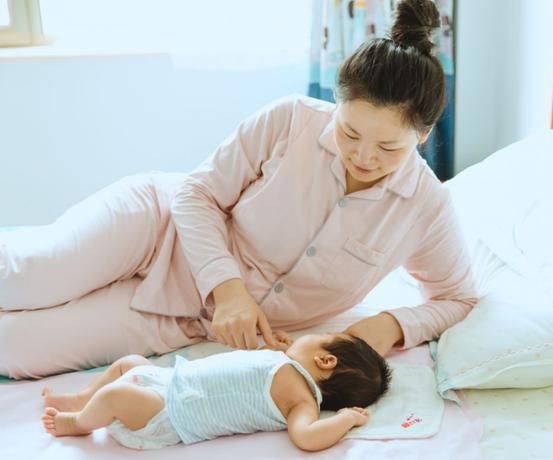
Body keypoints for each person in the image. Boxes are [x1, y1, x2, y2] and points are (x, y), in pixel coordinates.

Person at [0, 0, 477, 379]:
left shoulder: (426, 208)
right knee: (25, 275)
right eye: (349, 133)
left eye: (388, 147)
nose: (364, 157)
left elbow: (458, 298)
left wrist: (391, 324)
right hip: (156, 226)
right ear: (337, 103)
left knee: (16, 350)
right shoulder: (289, 119)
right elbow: (196, 194)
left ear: (423, 135)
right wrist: (230, 292)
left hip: (183, 320)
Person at [40, 331, 391, 451]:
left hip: (169, 413)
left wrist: (345, 420)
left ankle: (80, 421)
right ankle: (80, 398)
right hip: (168, 381)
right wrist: (284, 349)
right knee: (127, 364)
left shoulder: (301, 402)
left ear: (326, 360)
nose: (301, 339)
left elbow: (307, 438)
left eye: (316, 338)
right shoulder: (284, 364)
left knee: (115, 397)